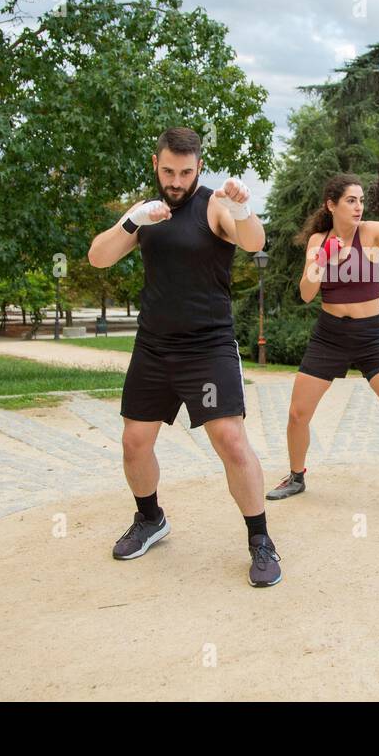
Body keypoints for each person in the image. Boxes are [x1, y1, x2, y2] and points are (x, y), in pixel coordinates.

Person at [87, 127, 282, 588]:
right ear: (156, 163)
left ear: (199, 167)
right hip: (154, 345)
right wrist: (132, 220)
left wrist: (243, 209)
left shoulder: (214, 205)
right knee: (135, 440)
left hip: (208, 347)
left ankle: (260, 541)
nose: (176, 181)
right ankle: (150, 519)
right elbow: (98, 258)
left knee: (231, 441)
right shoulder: (146, 211)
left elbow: (254, 243)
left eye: (186, 172)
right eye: (169, 171)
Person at [266, 173, 379, 515]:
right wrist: (322, 261)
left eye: (361, 200)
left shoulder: (371, 232)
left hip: (372, 335)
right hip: (330, 335)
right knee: (298, 413)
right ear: (332, 205)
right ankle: (297, 477)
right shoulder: (319, 239)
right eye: (351, 200)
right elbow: (305, 293)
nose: (359, 206)